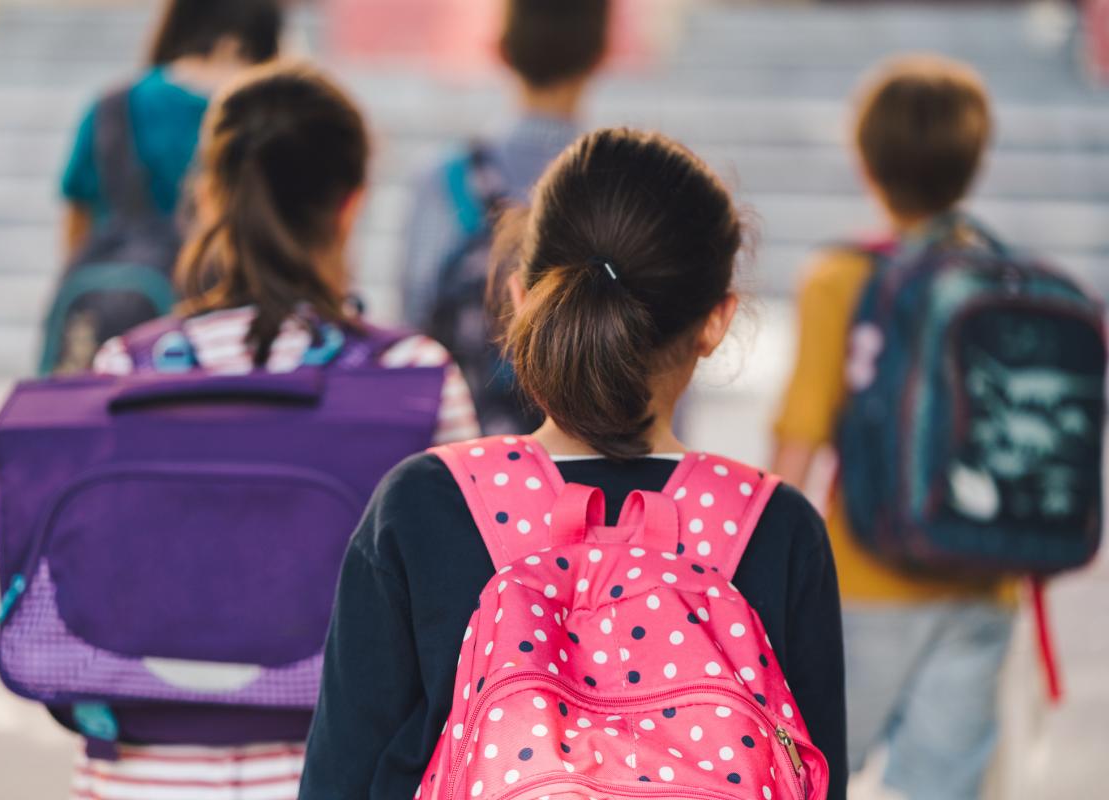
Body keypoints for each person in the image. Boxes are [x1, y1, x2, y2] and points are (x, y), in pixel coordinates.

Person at [301, 128, 847, 800]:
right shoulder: (777, 529)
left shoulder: (423, 505)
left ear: (520, 295)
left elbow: (341, 779)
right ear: (716, 321)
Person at [84, 61, 479, 800]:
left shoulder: (129, 372)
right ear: (351, 203)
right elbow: (460, 607)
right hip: (341, 771)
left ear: (211, 194)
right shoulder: (414, 376)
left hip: (147, 770)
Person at [772, 55, 1015, 800]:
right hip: (985, 576)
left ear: (866, 162)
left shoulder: (841, 278)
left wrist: (767, 570)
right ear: (973, 163)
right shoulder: (1001, 279)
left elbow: (804, 430)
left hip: (867, 574)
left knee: (810, 774)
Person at [399, 0, 610, 433]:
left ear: (501, 49)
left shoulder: (446, 180)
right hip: (601, 471)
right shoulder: (624, 181)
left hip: (468, 465)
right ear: (601, 52)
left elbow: (414, 327)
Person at [61, 0, 282, 258]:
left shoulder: (113, 108)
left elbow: (77, 233)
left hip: (130, 291)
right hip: (243, 290)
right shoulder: (281, 116)